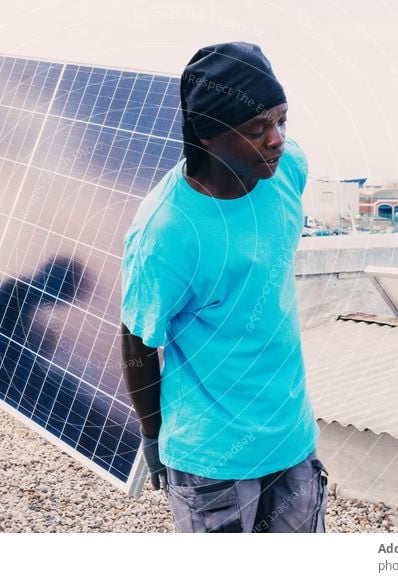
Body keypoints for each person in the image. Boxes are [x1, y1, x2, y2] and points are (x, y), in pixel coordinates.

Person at [120, 42, 328, 533]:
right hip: (211, 455)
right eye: (257, 129)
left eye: (281, 121)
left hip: (291, 434)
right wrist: (154, 438)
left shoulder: (286, 169)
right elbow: (136, 342)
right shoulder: (166, 233)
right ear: (208, 137)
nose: (276, 139)